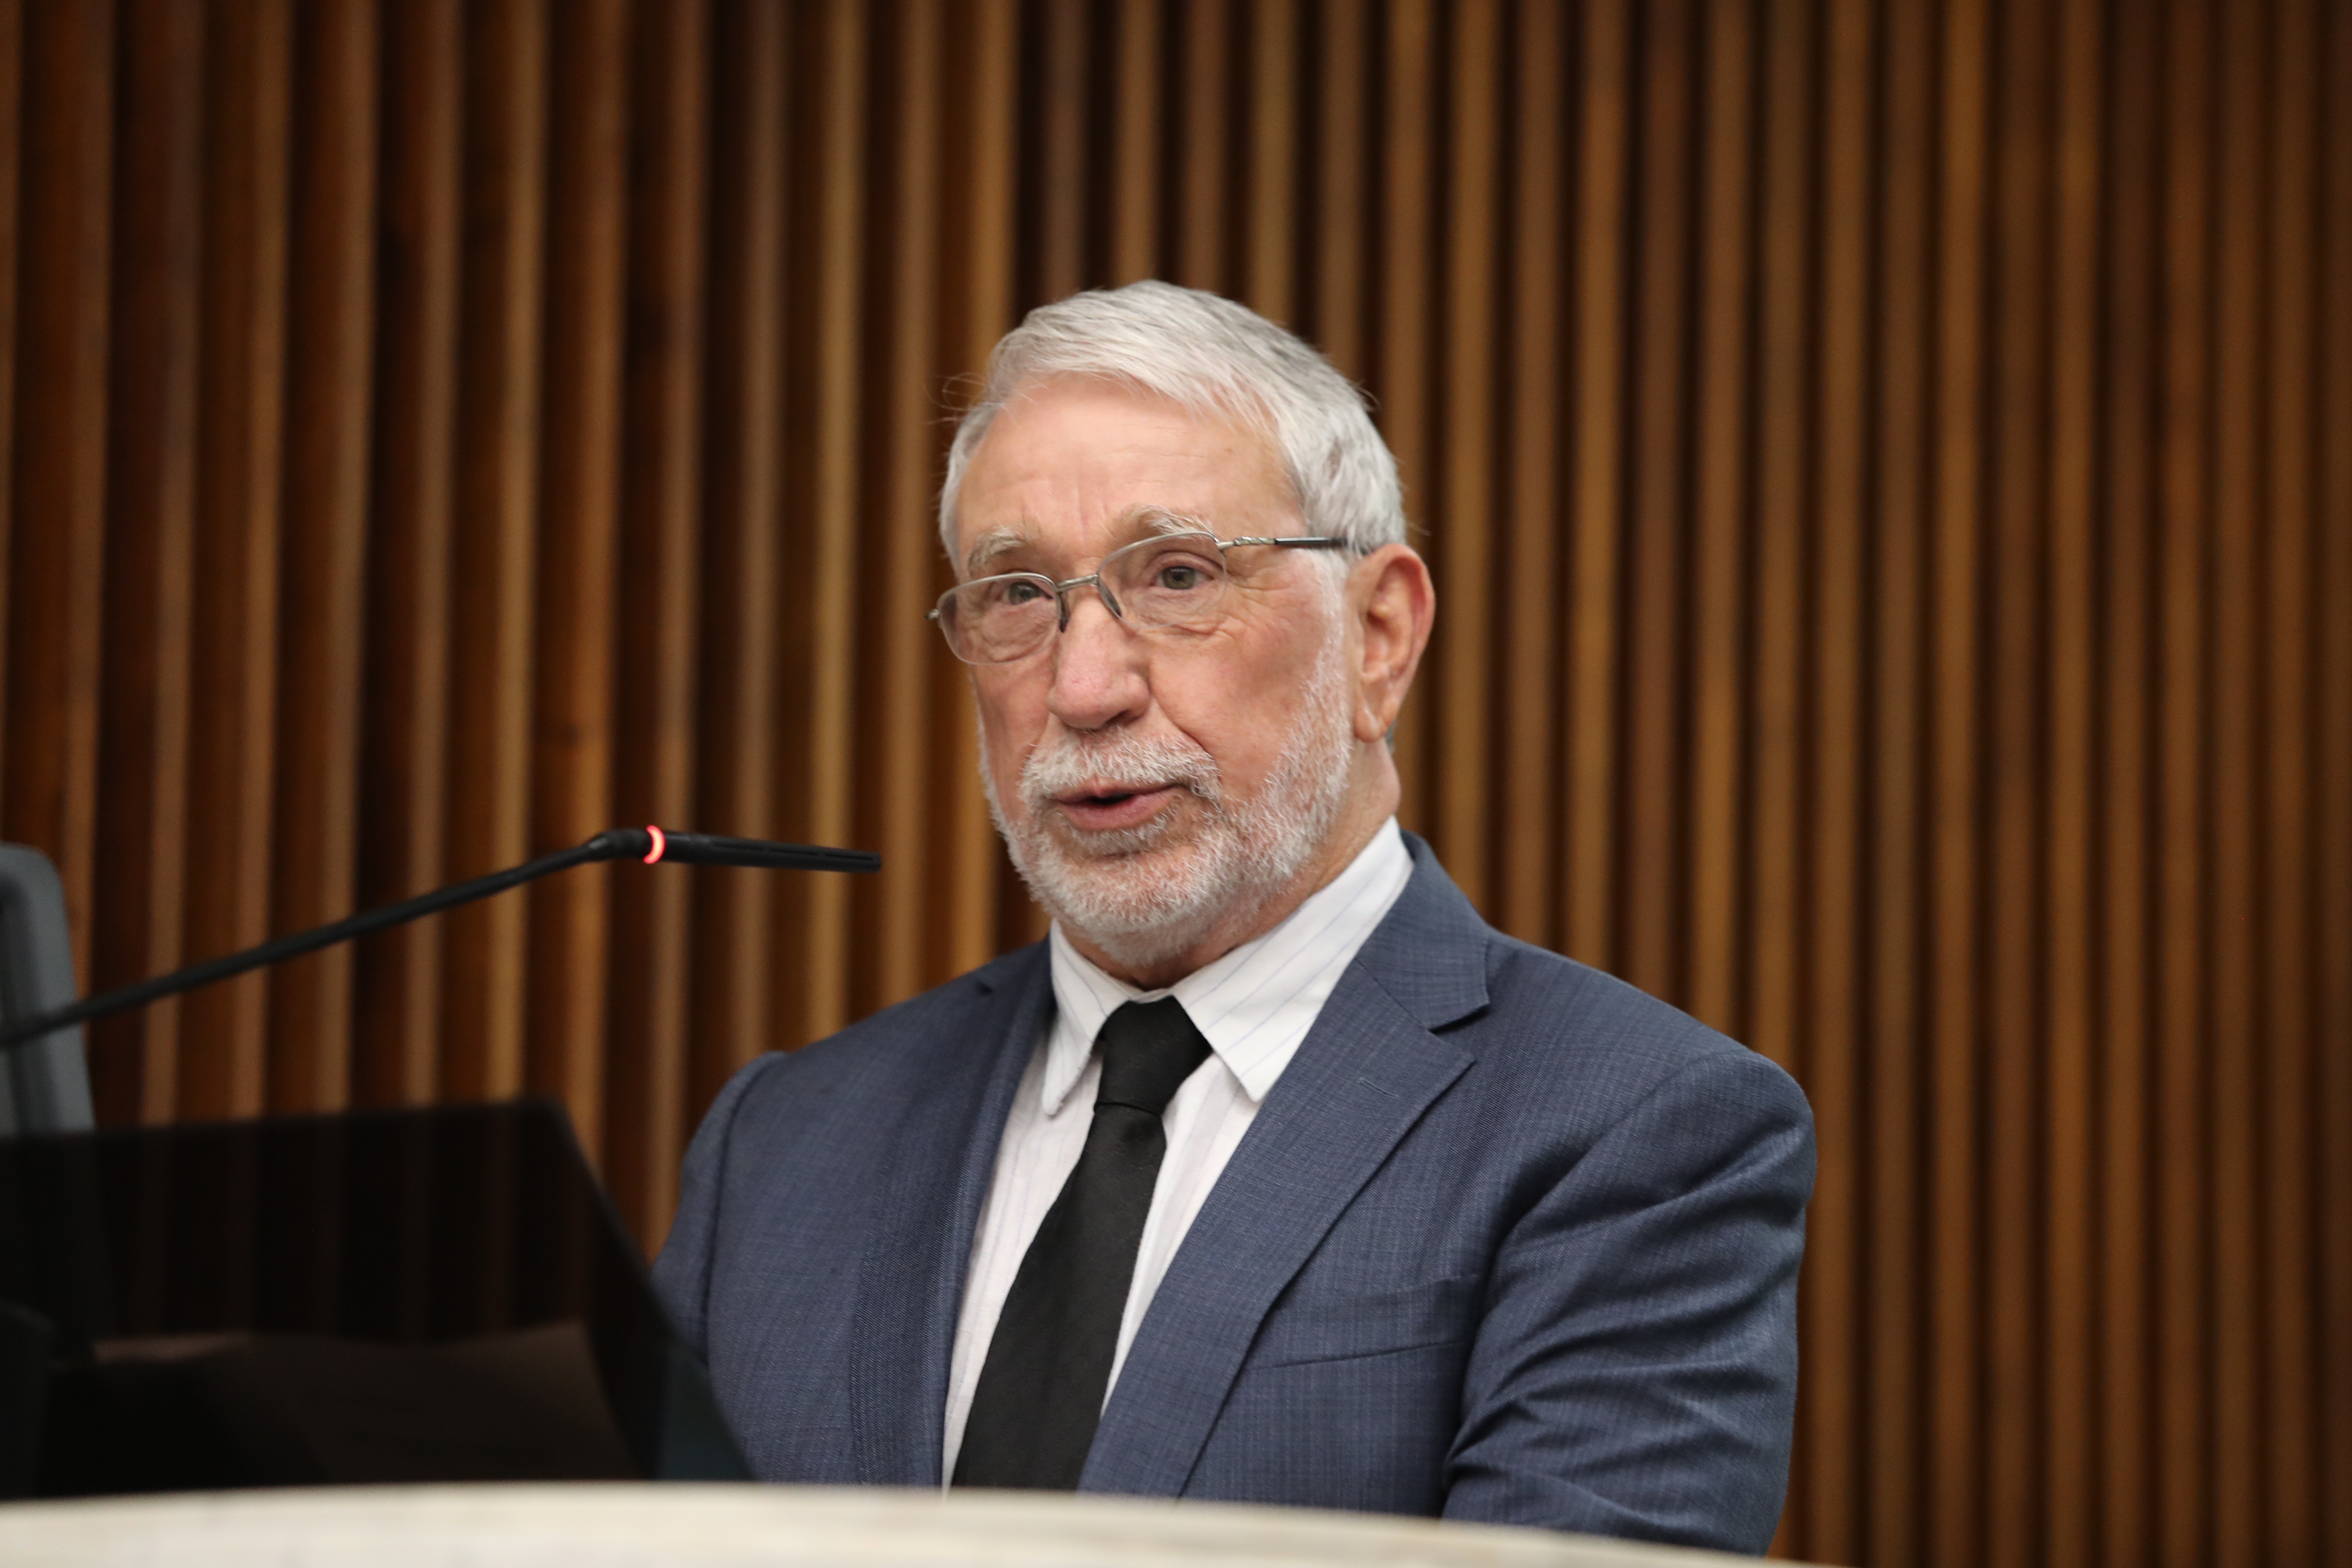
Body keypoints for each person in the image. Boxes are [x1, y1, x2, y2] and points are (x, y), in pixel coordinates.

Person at [652, 281, 1814, 1553]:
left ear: (1379, 637)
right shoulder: (785, 1143)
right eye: (1018, 593)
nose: (1083, 686)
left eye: (1178, 575)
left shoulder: (1633, 1129)